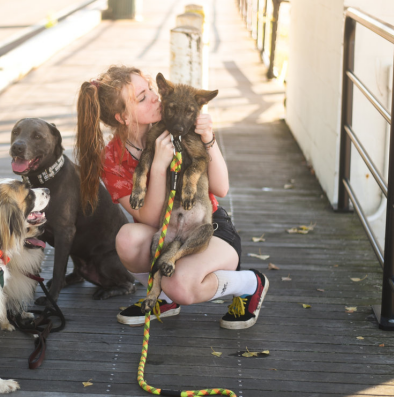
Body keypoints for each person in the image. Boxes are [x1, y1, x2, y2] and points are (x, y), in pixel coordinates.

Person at [75, 65, 267, 328]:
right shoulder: (112, 158)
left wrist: (208, 138)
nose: (155, 97)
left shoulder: (179, 123)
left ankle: (250, 283)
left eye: (150, 89)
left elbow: (221, 189)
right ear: (123, 117)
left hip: (208, 227)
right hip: (165, 229)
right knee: (127, 238)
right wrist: (157, 167)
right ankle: (165, 299)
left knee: (181, 286)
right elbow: (151, 218)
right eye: (142, 97)